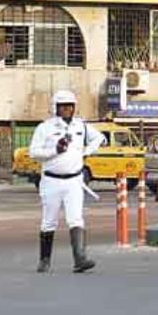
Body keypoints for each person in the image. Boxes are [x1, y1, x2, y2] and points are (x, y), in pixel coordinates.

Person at [28, 90, 103, 274]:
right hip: (51, 180)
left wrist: (86, 151)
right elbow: (34, 152)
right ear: (56, 108)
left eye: (70, 106)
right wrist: (55, 150)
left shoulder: (81, 126)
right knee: (49, 221)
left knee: (76, 219)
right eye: (63, 106)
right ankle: (44, 261)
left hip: (74, 181)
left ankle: (80, 258)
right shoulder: (45, 128)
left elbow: (99, 138)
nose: (67, 110)